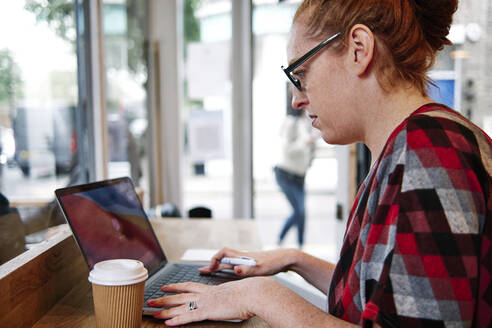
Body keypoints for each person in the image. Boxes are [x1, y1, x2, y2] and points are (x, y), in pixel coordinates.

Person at [147, 0, 492, 326]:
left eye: (301, 73)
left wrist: (259, 295)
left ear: (359, 48)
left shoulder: (431, 150)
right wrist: (295, 259)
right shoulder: (410, 145)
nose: (297, 99)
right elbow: (379, 301)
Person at [274, 107, 317, 248]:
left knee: (302, 212)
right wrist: (305, 143)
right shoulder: (291, 123)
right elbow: (287, 149)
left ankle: (300, 245)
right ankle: (281, 239)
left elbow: (308, 152)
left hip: (300, 176)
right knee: (299, 211)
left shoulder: (307, 124)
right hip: (286, 174)